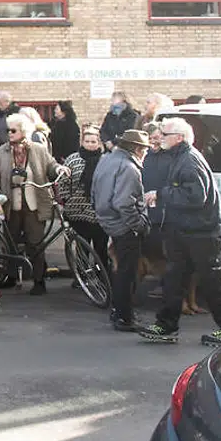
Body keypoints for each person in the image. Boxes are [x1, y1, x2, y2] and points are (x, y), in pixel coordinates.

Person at [139, 118, 221, 346]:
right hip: (182, 230)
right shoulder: (179, 157)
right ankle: (166, 325)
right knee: (174, 279)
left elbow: (196, 197)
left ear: (180, 137)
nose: (160, 137)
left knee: (212, 281)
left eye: (165, 134)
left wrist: (161, 194)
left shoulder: (189, 161)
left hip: (200, 232)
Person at [0, 113, 64, 294]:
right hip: (12, 205)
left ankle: (39, 281)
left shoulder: (38, 149)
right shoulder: (2, 151)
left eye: (13, 130)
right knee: (10, 242)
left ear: (24, 131)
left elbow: (51, 166)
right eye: (7, 130)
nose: (9, 133)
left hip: (33, 205)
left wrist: (59, 169)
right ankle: (10, 276)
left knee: (35, 243)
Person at [93, 129, 152, 331]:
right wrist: (139, 225)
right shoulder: (129, 168)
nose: (145, 154)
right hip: (124, 226)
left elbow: (94, 192)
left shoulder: (106, 160)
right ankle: (124, 317)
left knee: (121, 271)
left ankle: (119, 312)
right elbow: (124, 203)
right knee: (127, 273)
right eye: (144, 149)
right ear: (137, 149)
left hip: (108, 221)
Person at [57, 125, 110, 271]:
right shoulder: (73, 159)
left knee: (101, 248)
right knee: (82, 247)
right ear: (82, 142)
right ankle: (83, 275)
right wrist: (67, 200)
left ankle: (102, 275)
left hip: (99, 212)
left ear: (99, 143)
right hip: (77, 212)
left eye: (94, 142)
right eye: (87, 141)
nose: (90, 145)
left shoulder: (106, 160)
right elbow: (64, 182)